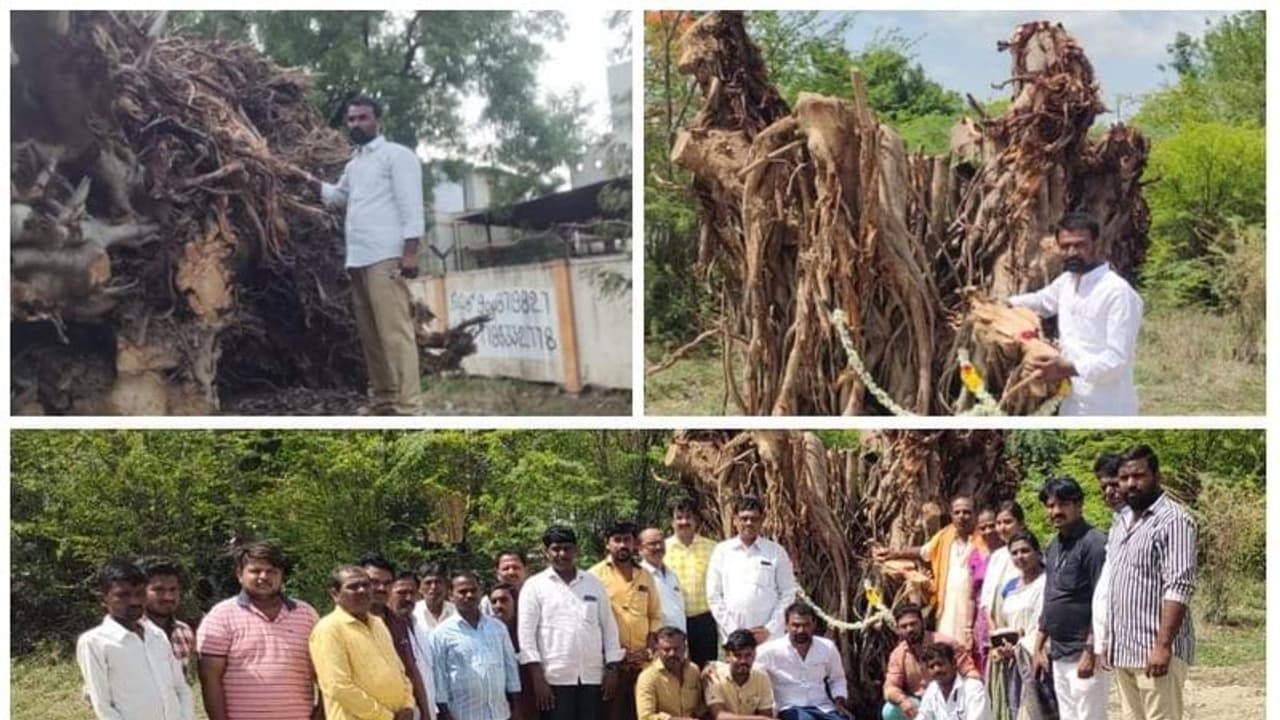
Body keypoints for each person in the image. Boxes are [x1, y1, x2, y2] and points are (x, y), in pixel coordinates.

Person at [317, 95, 424, 415]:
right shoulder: (356, 164)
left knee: (395, 334)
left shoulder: (397, 156)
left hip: (386, 256)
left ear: (378, 121)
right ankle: (384, 399)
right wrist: (305, 180)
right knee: (372, 336)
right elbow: (337, 198)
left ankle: (409, 408)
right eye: (351, 120)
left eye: (363, 118)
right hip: (359, 258)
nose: (356, 125)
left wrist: (411, 252)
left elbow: (411, 205)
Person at [1007, 211, 1144, 416]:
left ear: (1097, 244)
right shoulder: (1068, 282)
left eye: (1080, 245)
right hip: (1071, 402)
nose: (1072, 252)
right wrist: (1003, 305)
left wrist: (1067, 368)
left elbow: (1116, 360)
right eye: (1065, 246)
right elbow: (1041, 302)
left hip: (1107, 406)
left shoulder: (1118, 292)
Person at [1106, 445, 1197, 720]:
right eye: (1124, 478)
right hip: (1124, 651)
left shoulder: (1174, 519)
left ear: (1156, 476)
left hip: (1155, 652)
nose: (1130, 484)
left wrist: (1163, 646)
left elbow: (1179, 586)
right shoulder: (1121, 521)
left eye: (1139, 475)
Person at [197, 542, 320, 720]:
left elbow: (324, 671)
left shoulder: (307, 614)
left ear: (281, 575)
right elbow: (210, 678)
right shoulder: (220, 616)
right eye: (255, 571)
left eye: (271, 571)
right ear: (240, 574)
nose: (263, 577)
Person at [518, 525, 624, 720]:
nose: (562, 554)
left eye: (567, 548)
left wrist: (612, 669)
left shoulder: (593, 583)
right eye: (556, 549)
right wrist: (538, 679)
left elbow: (609, 628)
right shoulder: (534, 586)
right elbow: (526, 637)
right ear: (546, 552)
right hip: (554, 679)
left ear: (576, 550)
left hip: (592, 678)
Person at [77, 559, 195, 720]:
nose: (134, 601)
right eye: (122, 595)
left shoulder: (157, 635)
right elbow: (102, 706)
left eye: (139, 593)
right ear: (103, 599)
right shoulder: (94, 642)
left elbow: (181, 688)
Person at [1033, 478, 1109, 720]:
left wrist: (1090, 649)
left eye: (1063, 504)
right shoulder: (1053, 546)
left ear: (1078, 504)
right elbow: (1050, 595)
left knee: (1089, 716)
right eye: (1050, 505)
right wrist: (1038, 645)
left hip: (1084, 652)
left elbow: (1103, 599)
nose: (1056, 511)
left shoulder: (1095, 543)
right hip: (1058, 652)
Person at [874, 496, 988, 647]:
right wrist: (892, 553)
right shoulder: (945, 536)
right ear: (951, 515)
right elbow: (923, 551)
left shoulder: (985, 538)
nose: (961, 516)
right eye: (957, 512)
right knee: (946, 648)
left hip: (976, 607)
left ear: (975, 514)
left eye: (966, 512)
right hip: (947, 606)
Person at [310, 565, 416, 720]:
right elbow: (338, 687)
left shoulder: (378, 624)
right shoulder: (328, 629)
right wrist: (385, 716)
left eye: (366, 585)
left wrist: (408, 705)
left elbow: (399, 671)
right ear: (335, 594)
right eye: (353, 587)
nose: (362, 590)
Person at [590, 520, 664, 720]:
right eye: (617, 540)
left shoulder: (645, 576)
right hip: (611, 665)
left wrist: (648, 651)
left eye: (627, 540)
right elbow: (590, 623)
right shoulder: (593, 576)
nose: (622, 545)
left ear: (634, 544)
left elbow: (655, 616)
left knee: (643, 714)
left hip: (643, 663)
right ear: (608, 544)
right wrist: (615, 654)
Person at [430, 571, 522, 720]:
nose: (469, 595)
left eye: (473, 590)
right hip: (463, 715)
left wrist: (516, 709)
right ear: (451, 596)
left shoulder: (498, 628)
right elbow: (439, 677)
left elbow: (510, 668)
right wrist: (444, 713)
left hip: (500, 714)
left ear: (480, 593)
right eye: (462, 591)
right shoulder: (441, 634)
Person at [707, 496, 797, 645]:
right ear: (735, 520)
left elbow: (788, 593)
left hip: (770, 639)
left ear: (762, 521)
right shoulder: (722, 551)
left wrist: (769, 629)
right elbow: (714, 596)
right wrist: (733, 630)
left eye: (754, 519)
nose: (749, 523)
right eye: (744, 518)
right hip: (733, 638)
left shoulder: (776, 552)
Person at [362, 553, 433, 719]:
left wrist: (426, 713)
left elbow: (411, 670)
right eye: (374, 582)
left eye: (387, 583)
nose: (381, 588)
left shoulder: (398, 623)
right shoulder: (345, 625)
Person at [989, 533, 1051, 720]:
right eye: (1014, 553)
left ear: (1038, 553)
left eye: (1025, 551)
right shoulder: (1009, 587)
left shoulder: (1047, 582)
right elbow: (1003, 622)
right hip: (1014, 660)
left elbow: (1047, 620)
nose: (1020, 556)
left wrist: (1026, 646)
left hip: (1040, 656)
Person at [754, 603, 852, 720]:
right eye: (796, 625)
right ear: (786, 625)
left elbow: (837, 679)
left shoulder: (827, 647)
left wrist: (839, 701)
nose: (801, 630)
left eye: (806, 625)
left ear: (814, 624)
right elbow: (754, 678)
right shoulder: (769, 651)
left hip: (823, 708)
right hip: (789, 708)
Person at [882, 604, 979, 720]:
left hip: (950, 699)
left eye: (913, 624)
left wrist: (972, 693)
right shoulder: (898, 654)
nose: (910, 629)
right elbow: (890, 688)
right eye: (904, 626)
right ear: (898, 630)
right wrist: (903, 701)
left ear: (922, 623)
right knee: (890, 710)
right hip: (919, 704)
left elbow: (970, 672)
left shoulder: (946, 643)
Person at [977, 502, 1027, 690]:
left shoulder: (1029, 553)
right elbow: (987, 602)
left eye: (1007, 522)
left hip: (1023, 633)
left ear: (1020, 523)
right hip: (999, 636)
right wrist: (996, 635)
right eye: (998, 523)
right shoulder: (997, 557)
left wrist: (1016, 639)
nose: (1001, 528)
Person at [666, 497, 721, 664]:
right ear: (672, 522)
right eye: (679, 517)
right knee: (677, 670)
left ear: (696, 519)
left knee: (707, 671)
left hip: (705, 621)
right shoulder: (662, 549)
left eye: (688, 517)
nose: (684, 522)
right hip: (673, 621)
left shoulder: (713, 548)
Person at [1090, 453, 1126, 666]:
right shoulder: (1117, 524)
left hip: (1144, 641)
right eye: (1103, 488)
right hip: (1116, 642)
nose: (1109, 492)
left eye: (1114, 484)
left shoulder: (1145, 522)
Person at [389, 570, 439, 720]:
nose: (408, 598)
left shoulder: (419, 625)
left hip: (427, 711)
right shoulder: (383, 628)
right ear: (389, 592)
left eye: (412, 593)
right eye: (402, 593)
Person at [489, 583, 539, 720]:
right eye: (494, 602)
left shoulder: (528, 630)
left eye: (504, 600)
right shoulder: (485, 632)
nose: (498, 605)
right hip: (498, 705)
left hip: (530, 700)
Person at [137, 557, 196, 672]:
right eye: (159, 590)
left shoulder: (184, 632)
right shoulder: (131, 632)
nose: (168, 597)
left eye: (173, 589)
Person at [635, 626, 704, 720]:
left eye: (677, 649)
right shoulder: (647, 677)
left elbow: (701, 709)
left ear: (685, 648)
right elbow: (645, 717)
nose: (672, 654)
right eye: (666, 650)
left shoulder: (693, 671)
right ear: (658, 649)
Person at [704, 629, 776, 720]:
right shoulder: (714, 675)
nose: (743, 661)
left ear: (755, 654)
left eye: (748, 655)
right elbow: (719, 716)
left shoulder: (761, 677)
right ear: (727, 656)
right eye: (738, 655)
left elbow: (766, 714)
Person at [968, 508, 1002, 673]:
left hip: (1003, 613)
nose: (988, 531)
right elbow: (971, 595)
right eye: (983, 528)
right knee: (984, 663)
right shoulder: (975, 555)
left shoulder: (1011, 551)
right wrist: (968, 628)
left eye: (992, 525)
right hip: (981, 618)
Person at [917, 643, 991, 720]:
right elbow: (922, 717)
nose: (937, 670)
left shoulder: (973, 688)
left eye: (940, 664)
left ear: (954, 663)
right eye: (931, 666)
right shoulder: (932, 689)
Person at [639, 527, 687, 632]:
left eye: (661, 542)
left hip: (679, 640)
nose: (658, 547)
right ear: (640, 549)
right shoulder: (639, 577)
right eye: (652, 543)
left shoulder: (672, 575)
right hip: (657, 641)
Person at [481, 550, 530, 615]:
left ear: (526, 570)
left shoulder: (536, 596)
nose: (511, 572)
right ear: (497, 573)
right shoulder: (487, 602)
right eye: (506, 568)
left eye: (516, 568)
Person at [415, 562, 458, 631]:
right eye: (428, 583)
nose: (433, 587)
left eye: (438, 582)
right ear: (420, 588)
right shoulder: (413, 614)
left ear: (446, 585)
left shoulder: (457, 613)